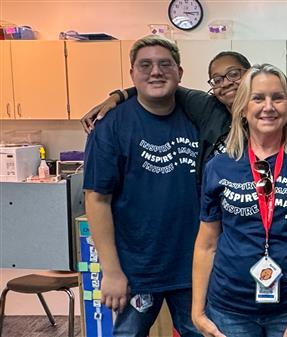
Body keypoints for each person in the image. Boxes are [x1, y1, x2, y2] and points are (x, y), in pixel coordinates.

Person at [191, 64, 287, 337]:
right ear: (243, 109)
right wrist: (197, 312)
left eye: (277, 98)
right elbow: (207, 243)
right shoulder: (219, 166)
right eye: (258, 98)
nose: (268, 106)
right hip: (230, 309)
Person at [83, 35, 203, 337]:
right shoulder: (111, 126)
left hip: (193, 267)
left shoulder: (198, 117)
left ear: (180, 72)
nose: (156, 72)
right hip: (135, 270)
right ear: (132, 73)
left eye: (165, 64)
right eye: (145, 65)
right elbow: (96, 200)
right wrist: (110, 271)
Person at [80, 51, 252, 178]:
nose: (227, 83)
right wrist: (118, 96)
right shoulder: (207, 109)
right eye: (217, 80)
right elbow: (162, 85)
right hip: (214, 217)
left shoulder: (268, 114)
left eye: (234, 74)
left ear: (250, 73)